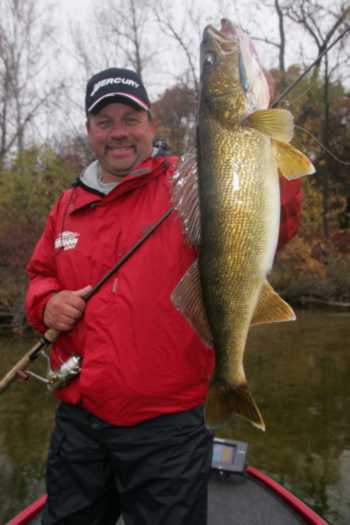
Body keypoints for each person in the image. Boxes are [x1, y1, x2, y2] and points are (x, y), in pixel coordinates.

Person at [25, 67, 301, 525]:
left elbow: (273, 227)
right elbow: (39, 277)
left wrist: (266, 144)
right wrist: (46, 303)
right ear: (89, 131)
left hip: (167, 429)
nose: (119, 133)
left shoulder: (189, 180)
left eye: (130, 118)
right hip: (80, 426)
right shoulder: (66, 205)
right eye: (105, 121)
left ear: (152, 124)